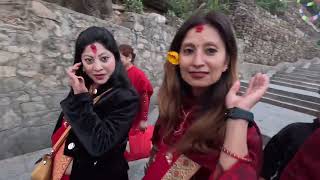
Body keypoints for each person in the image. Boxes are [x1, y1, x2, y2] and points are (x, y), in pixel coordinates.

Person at [143, 11, 269, 179]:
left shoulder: (241, 130)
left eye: (210, 51)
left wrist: (238, 116)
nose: (197, 62)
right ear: (177, 58)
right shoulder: (172, 106)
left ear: (226, 62)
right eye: (188, 50)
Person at [51, 26, 139, 180]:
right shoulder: (85, 84)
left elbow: (100, 144)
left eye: (104, 58)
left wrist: (80, 98)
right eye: (89, 60)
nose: (97, 68)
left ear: (115, 58)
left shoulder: (126, 97)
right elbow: (66, 121)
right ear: (81, 63)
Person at [119, 44, 153, 132]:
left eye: (119, 58)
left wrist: (143, 119)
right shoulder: (118, 73)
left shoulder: (139, 75)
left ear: (129, 57)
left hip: (132, 118)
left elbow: (145, 97)